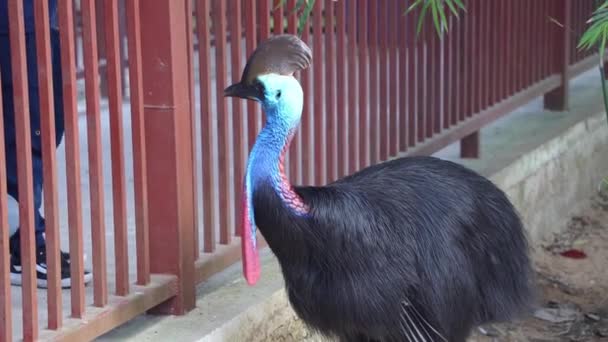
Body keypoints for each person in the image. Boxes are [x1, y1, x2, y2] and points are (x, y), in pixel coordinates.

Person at [0, 0, 91, 288]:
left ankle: (21, 238)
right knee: (28, 128)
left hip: (35, 18)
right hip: (17, 19)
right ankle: (24, 244)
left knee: (41, 123)